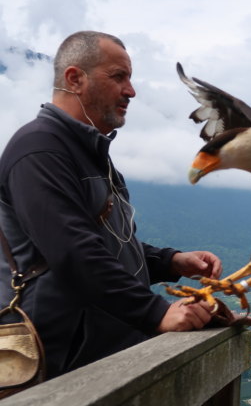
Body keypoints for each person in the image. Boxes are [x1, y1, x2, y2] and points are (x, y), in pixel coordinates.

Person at [0, 31, 222, 379]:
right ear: (75, 79)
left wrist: (171, 261)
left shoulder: (92, 155)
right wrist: (154, 313)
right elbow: (73, 251)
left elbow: (106, 243)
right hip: (61, 364)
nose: (131, 91)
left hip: (102, 356)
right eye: (118, 76)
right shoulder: (39, 150)